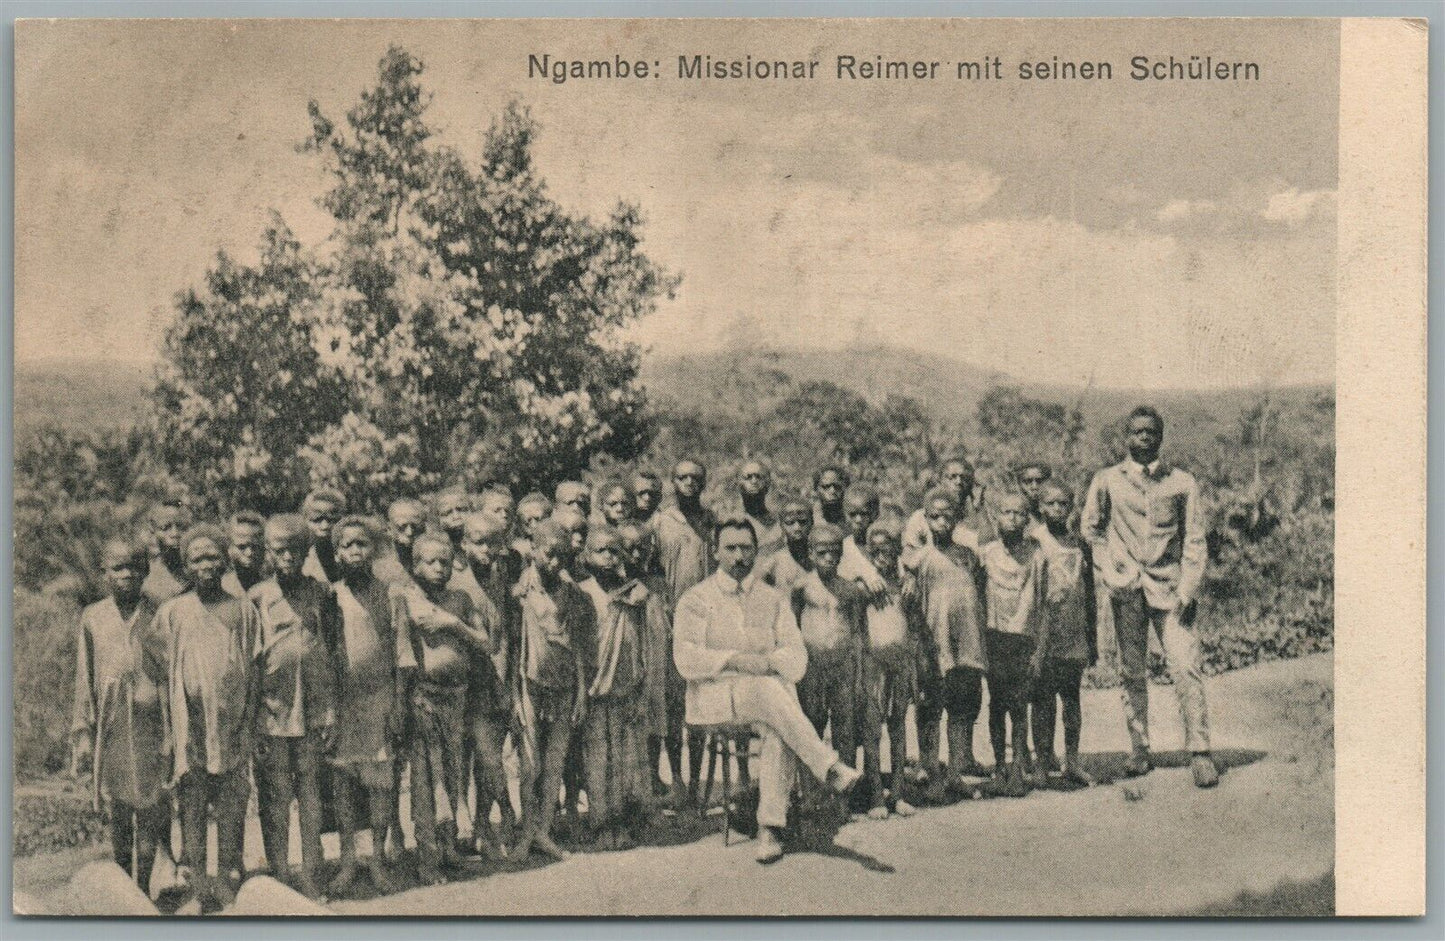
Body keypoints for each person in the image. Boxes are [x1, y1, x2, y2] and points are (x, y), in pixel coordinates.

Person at [673, 516, 861, 864]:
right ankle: (827, 765)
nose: (738, 556)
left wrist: (767, 663)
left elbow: (797, 659)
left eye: (746, 548)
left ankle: (769, 828)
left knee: (777, 722)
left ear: (756, 552)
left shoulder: (772, 598)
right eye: (730, 548)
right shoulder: (696, 599)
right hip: (714, 698)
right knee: (772, 693)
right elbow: (686, 659)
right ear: (715, 552)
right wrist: (737, 660)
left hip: (765, 702)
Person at [1082, 405, 1217, 788]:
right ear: (1126, 437)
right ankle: (1139, 749)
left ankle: (1200, 751)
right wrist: (1110, 568)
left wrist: (1188, 589)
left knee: (1185, 666)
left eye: (1151, 432)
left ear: (1160, 437)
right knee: (1131, 671)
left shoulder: (1182, 483)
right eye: (1137, 431)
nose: (1144, 437)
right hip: (1126, 591)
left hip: (1171, 590)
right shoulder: (1107, 480)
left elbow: (1194, 540)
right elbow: (1091, 529)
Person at [159, 524, 261, 905]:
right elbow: (158, 672)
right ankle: (198, 880)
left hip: (231, 723)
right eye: (196, 558)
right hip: (191, 726)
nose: (205, 565)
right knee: (193, 801)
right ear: (186, 566)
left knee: (232, 799)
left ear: (225, 562)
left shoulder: (242, 609)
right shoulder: (173, 612)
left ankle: (229, 875)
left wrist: (248, 723)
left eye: (212, 557)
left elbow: (255, 670)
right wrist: (170, 729)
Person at [395, 533, 496, 884]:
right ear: (415, 565)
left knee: (454, 775)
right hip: (424, 698)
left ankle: (448, 849)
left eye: (445, 562)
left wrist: (453, 623)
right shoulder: (406, 598)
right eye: (430, 562)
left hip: (458, 698)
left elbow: (487, 642)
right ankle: (427, 858)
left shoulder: (460, 599)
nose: (439, 568)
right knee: (426, 780)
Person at [71, 537, 169, 895]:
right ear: (105, 573)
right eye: (118, 567)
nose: (126, 574)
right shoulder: (93, 617)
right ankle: (125, 885)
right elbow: (85, 678)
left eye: (133, 567)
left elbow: (169, 672)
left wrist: (172, 731)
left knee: (150, 804)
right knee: (120, 807)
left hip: (150, 723)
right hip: (111, 725)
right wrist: (83, 732)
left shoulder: (159, 613)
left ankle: (144, 885)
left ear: (145, 571)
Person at [248, 514, 336, 898]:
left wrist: (330, 709)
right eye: (279, 550)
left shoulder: (320, 593)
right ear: (268, 552)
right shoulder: (258, 598)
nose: (287, 558)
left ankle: (312, 871)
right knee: (276, 795)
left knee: (311, 792)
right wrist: (253, 716)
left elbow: (331, 651)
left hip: (312, 709)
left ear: (307, 552)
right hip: (273, 711)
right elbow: (250, 663)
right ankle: (280, 873)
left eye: (295, 551)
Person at [322, 516, 405, 897]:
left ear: (374, 549)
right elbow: (326, 654)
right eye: (347, 545)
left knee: (379, 785)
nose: (355, 551)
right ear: (337, 553)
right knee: (343, 784)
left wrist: (398, 703)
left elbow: (402, 653)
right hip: (344, 704)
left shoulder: (390, 594)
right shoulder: (331, 596)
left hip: (380, 700)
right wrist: (330, 707)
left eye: (362, 543)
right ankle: (348, 861)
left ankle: (377, 859)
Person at [510, 520, 595, 862]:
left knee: (555, 763)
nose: (556, 562)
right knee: (530, 765)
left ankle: (543, 831)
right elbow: (512, 649)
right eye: (549, 554)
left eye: (562, 556)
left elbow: (577, 647)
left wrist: (581, 692)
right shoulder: (519, 593)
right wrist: (515, 697)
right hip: (530, 687)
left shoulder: (571, 594)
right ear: (533, 550)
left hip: (564, 688)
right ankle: (526, 832)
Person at [576, 526, 659, 849]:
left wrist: (643, 690)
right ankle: (601, 823)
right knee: (598, 760)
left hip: (627, 688)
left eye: (614, 551)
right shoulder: (581, 593)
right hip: (595, 691)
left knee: (628, 759)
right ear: (586, 556)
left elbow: (644, 646)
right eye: (601, 551)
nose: (609, 557)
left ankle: (626, 820)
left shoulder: (636, 594)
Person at [903, 487, 988, 799]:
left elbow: (979, 596)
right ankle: (931, 771)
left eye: (947, 516)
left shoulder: (968, 556)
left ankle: (955, 773)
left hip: (966, 643)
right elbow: (911, 607)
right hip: (934, 646)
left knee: (960, 708)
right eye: (934, 517)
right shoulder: (918, 560)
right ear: (925, 519)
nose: (941, 522)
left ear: (957, 519)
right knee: (930, 708)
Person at [449, 512, 517, 859]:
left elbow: (504, 632)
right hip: (465, 683)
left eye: (493, 543)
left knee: (488, 759)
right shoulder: (454, 581)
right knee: (476, 757)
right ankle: (502, 814)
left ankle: (482, 826)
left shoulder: (500, 577)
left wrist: (508, 682)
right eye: (479, 542)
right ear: (464, 544)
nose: (487, 550)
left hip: (495, 680)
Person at [1025, 480, 1098, 787]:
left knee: (1072, 698)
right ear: (1040, 507)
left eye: (1063, 504)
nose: (1057, 509)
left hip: (1074, 631)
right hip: (1045, 633)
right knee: (1043, 700)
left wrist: (1092, 638)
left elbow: (1090, 592)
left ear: (1072, 507)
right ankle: (1042, 764)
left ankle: (1072, 761)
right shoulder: (1034, 541)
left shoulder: (1079, 544)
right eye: (1050, 503)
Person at [653, 459, 717, 801]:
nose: (689, 483)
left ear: (703, 483)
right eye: (682, 477)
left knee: (700, 704)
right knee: (674, 706)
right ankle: (675, 778)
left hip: (703, 626)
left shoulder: (710, 522)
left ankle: (695, 783)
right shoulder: (661, 522)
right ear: (673, 482)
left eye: (695, 478)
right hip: (671, 625)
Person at [976, 492, 1042, 798]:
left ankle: (1017, 768)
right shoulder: (986, 554)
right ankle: (1000, 767)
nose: (1012, 518)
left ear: (1027, 519)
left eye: (1019, 513)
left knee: (1019, 705)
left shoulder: (1036, 555)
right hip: (994, 637)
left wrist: (1039, 646)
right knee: (996, 704)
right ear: (997, 517)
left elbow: (1043, 602)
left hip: (1023, 639)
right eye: (1006, 512)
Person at [790, 525, 866, 786]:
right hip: (812, 668)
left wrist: (858, 674)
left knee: (845, 727)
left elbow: (857, 632)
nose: (829, 558)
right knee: (812, 726)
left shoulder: (849, 590)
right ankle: (811, 792)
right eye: (822, 553)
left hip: (842, 668)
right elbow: (791, 628)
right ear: (810, 553)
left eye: (834, 553)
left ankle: (847, 791)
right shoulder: (802, 587)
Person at [859, 519, 919, 819]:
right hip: (874, 665)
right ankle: (875, 796)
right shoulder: (865, 586)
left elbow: (915, 626)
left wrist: (911, 578)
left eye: (887, 551)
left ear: (898, 551)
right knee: (872, 730)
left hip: (901, 663)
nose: (881, 557)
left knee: (898, 727)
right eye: (875, 552)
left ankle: (898, 792)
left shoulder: (907, 584)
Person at [619, 520, 677, 804]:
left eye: (642, 548)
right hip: (627, 664)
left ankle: (652, 775)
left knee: (654, 717)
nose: (636, 555)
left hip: (655, 661)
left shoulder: (658, 583)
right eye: (629, 549)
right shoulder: (616, 583)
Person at [903, 457, 988, 552]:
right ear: (940, 480)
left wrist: (979, 507)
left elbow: (988, 546)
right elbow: (910, 554)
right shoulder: (921, 517)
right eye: (952, 477)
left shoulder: (975, 517)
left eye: (964, 478)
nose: (959, 482)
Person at [754, 495, 813, 591]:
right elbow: (756, 588)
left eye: (802, 521)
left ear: (812, 522)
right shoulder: (774, 560)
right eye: (790, 522)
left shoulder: (820, 556)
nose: (797, 528)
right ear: (781, 525)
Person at [143, 500, 192, 605]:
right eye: (165, 528)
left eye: (181, 527)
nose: (175, 534)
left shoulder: (198, 568)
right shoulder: (149, 580)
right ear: (153, 529)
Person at [374, 498, 426, 587]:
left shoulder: (436, 561)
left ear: (423, 528)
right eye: (402, 526)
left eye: (415, 526)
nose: (409, 532)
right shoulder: (379, 568)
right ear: (389, 528)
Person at [300, 488, 347, 585]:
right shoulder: (297, 556)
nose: (324, 526)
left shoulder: (351, 552)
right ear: (305, 520)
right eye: (317, 520)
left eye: (332, 520)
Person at [737, 459, 782, 556]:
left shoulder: (779, 525)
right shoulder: (732, 522)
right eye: (748, 477)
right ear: (739, 484)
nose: (754, 481)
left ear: (768, 484)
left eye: (759, 477)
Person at [223, 511, 267, 597]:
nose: (249, 553)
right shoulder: (222, 587)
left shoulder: (273, 587)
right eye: (242, 547)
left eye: (255, 546)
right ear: (229, 548)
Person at [1016, 461, 1053, 537]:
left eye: (1039, 481)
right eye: (1028, 481)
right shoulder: (1012, 514)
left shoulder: (1058, 510)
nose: (1034, 487)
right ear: (1019, 484)